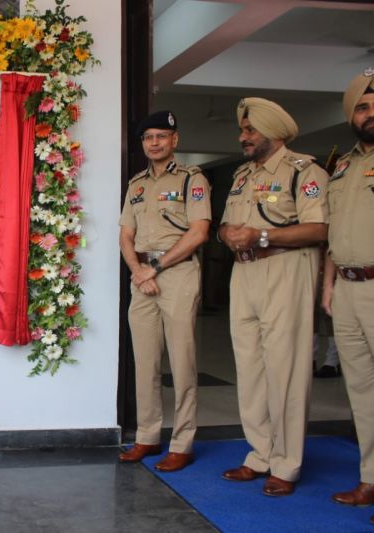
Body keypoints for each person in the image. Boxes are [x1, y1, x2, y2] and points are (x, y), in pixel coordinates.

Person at [219, 98, 328, 496]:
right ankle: (260, 453)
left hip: (285, 269)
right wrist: (225, 235)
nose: (242, 137)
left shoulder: (305, 171)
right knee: (249, 369)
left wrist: (261, 236)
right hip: (243, 272)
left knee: (287, 369)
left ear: (274, 133)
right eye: (243, 130)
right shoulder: (242, 175)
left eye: (250, 131)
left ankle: (287, 462)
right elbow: (228, 224)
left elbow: (319, 229)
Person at [118, 111, 211, 472]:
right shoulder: (136, 184)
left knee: (183, 361)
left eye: (161, 136)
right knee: (145, 362)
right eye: (148, 137)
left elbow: (199, 232)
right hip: (142, 276)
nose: (154, 142)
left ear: (175, 140)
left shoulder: (193, 179)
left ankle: (183, 443)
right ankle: (147, 435)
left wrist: (154, 269)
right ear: (142, 144)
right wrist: (139, 271)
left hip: (177, 274)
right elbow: (126, 234)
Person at [321, 69, 374, 514]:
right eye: (363, 106)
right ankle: (370, 478)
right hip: (348, 288)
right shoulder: (342, 165)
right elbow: (333, 234)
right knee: (359, 389)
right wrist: (329, 285)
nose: (370, 113)